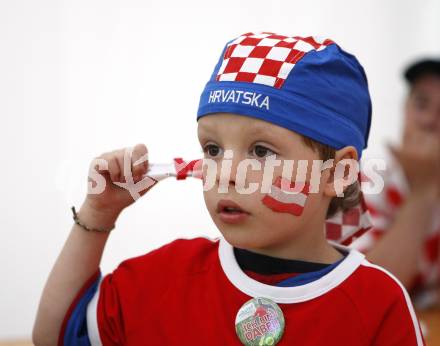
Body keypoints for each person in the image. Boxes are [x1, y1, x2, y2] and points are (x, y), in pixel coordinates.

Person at [33, 32, 424, 345]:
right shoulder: (163, 278)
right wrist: (98, 214)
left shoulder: (377, 303)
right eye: (213, 149)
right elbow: (54, 338)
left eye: (260, 151)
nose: (225, 172)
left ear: (336, 173)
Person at [352, 59, 440, 308]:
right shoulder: (365, 179)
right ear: (405, 109)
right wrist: (423, 190)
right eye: (422, 105)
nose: (430, 122)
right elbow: (367, 291)